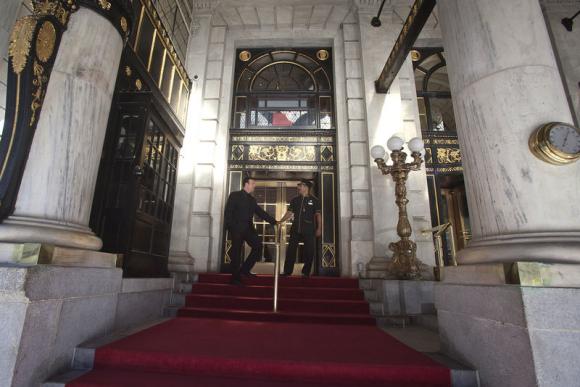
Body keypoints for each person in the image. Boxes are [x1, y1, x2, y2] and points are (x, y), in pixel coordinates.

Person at [224, 176, 277, 285]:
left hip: (249, 229)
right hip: (236, 229)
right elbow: (228, 213)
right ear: (246, 184)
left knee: (258, 246)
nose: (254, 186)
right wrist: (231, 227)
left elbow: (260, 212)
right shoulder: (234, 195)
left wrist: (274, 221)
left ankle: (245, 269)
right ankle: (235, 278)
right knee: (236, 253)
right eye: (253, 183)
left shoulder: (252, 199)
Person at [279, 179, 322, 278]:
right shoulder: (295, 200)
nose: (298, 186)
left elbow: (318, 215)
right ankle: (287, 272)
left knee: (309, 251)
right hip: (295, 229)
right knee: (291, 251)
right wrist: (280, 221)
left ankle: (306, 272)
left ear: (306, 187)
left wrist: (319, 228)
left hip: (309, 229)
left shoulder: (315, 200)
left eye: (300, 185)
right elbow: (289, 213)